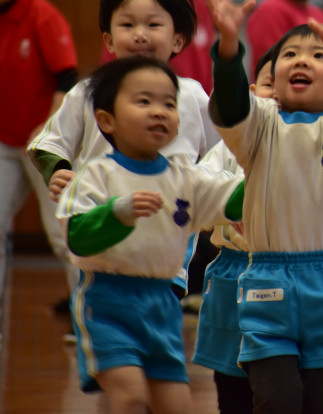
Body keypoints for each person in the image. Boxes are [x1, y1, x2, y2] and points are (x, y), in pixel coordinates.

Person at [203, 0, 323, 414]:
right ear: (273, 76)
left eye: (320, 56)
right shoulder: (259, 126)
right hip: (267, 281)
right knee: (277, 400)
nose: (303, 61)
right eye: (290, 55)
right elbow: (230, 104)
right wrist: (228, 44)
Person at [55, 56, 243, 412]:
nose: (159, 111)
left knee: (178, 407)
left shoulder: (186, 176)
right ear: (106, 119)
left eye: (168, 104)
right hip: (107, 300)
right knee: (131, 399)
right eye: (144, 101)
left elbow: (232, 200)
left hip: (163, 304)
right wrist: (116, 213)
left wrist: (271, 167)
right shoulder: (94, 175)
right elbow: (77, 236)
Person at [28, 0, 220, 299]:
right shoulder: (89, 92)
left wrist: (214, 201)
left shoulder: (192, 95)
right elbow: (49, 143)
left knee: (159, 338)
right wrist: (57, 170)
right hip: (100, 241)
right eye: (127, 24)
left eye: (153, 24)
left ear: (177, 40)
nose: (140, 34)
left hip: (168, 248)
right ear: (109, 40)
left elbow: (222, 156)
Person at [0, 0, 79, 332]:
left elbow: (67, 77)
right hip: (4, 143)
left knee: (64, 232)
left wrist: (47, 133)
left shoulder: (43, 15)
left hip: (46, 143)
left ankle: (90, 322)